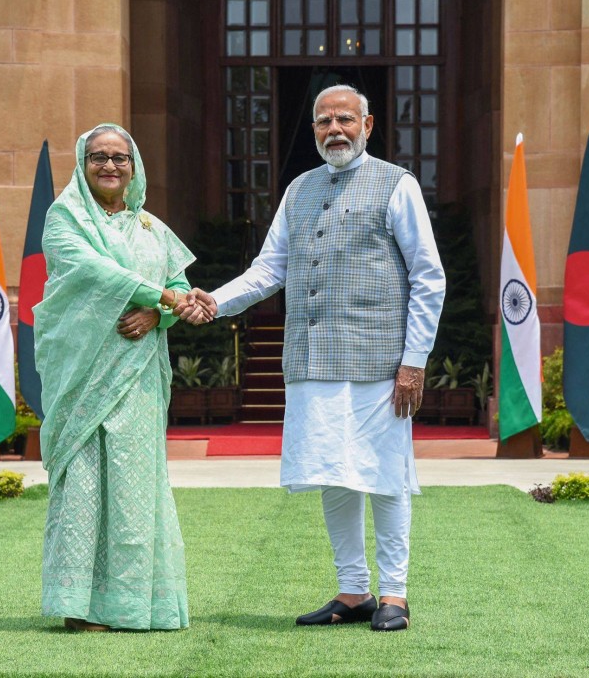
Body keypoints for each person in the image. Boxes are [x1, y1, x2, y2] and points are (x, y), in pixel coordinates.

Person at [181, 84, 445, 632]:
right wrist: (215, 301)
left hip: (380, 362)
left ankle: (395, 594)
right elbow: (268, 268)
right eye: (324, 121)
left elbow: (428, 276)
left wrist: (414, 360)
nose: (334, 130)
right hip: (311, 361)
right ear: (315, 131)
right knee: (332, 472)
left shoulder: (397, 184)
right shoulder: (298, 189)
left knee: (385, 475)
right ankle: (354, 592)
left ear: (367, 125)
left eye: (345, 119)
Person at [35, 123, 207, 632]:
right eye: (98, 157)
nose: (109, 165)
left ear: (134, 167)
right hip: (84, 375)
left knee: (134, 483)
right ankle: (81, 607)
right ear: (82, 164)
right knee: (85, 481)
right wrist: (161, 297)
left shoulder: (152, 228)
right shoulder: (65, 218)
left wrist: (160, 314)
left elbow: (178, 284)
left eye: (120, 157)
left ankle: (136, 604)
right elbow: (93, 271)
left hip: (138, 375)